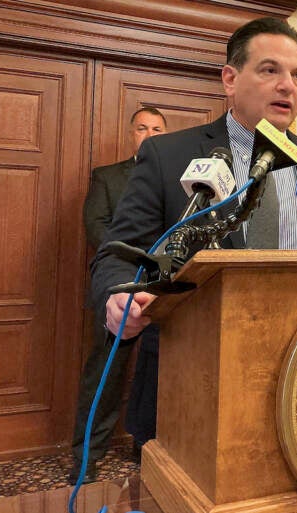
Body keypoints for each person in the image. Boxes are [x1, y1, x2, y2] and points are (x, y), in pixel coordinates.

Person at [88, 16, 297, 477]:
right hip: (190, 380)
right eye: (269, 70)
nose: (287, 86)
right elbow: (118, 251)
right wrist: (117, 293)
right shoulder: (169, 154)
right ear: (230, 79)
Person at [69, 107, 167, 484]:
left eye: (157, 128)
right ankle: (86, 457)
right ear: (132, 134)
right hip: (121, 287)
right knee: (106, 372)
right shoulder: (108, 177)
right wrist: (129, 264)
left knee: (157, 368)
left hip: (163, 287)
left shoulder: (177, 176)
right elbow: (97, 225)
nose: (149, 134)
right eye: (142, 128)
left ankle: (145, 444)